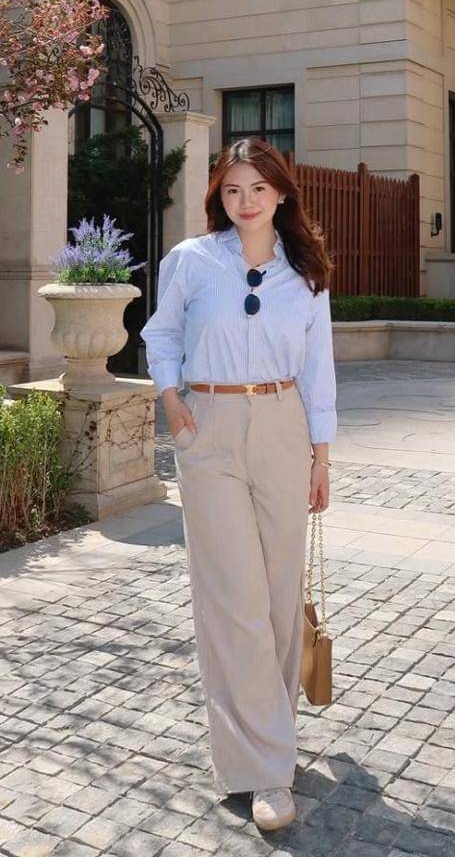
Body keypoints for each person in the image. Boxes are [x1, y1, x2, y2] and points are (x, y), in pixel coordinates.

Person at [140, 136, 337, 832]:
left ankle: (267, 733)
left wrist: (320, 456)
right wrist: (172, 399)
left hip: (283, 424)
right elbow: (161, 334)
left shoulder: (306, 273)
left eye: (257, 188)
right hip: (210, 425)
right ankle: (265, 770)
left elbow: (318, 367)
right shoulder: (191, 260)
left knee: (279, 597)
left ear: (281, 193)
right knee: (236, 600)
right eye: (232, 190)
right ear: (217, 197)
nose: (245, 201)